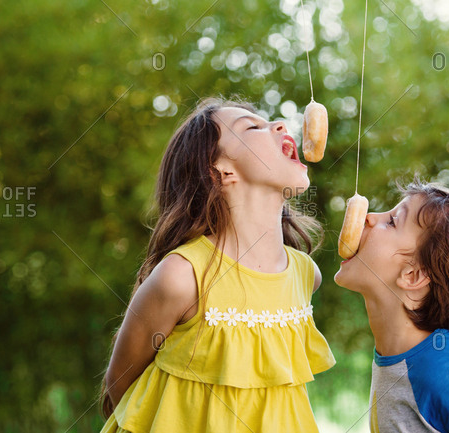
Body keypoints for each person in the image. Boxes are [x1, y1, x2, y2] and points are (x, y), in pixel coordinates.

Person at [98, 98, 335, 432]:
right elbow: (120, 384)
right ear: (221, 171)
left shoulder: (305, 275)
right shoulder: (182, 276)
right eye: (253, 127)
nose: (280, 125)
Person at [334, 179, 449, 432]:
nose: (368, 217)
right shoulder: (399, 356)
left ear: (412, 276)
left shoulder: (443, 372)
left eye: (392, 222)